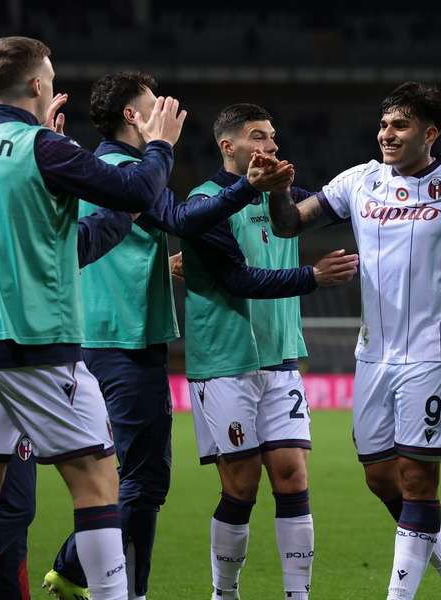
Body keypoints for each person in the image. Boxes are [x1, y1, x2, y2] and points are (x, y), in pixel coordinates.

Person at [266, 81, 441, 600]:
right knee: (380, 478)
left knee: (417, 479)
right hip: (373, 353)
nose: (386, 134)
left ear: (430, 133)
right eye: (384, 123)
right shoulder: (359, 182)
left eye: (400, 125)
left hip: (434, 353)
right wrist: (278, 190)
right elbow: (287, 227)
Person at [42, 73, 294, 600]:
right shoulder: (130, 171)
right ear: (134, 116)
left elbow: (137, 233)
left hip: (92, 338)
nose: (165, 111)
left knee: (107, 475)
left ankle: (72, 568)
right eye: (153, 105)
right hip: (128, 343)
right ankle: (117, 587)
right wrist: (248, 186)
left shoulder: (93, 165)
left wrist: (161, 261)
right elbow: (180, 217)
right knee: (144, 481)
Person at [0, 36, 185, 600]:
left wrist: (115, 205)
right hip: (38, 348)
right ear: (38, 84)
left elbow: (71, 244)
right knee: (98, 483)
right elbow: (137, 184)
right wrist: (159, 146)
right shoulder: (42, 148)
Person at [180, 103, 358, 600]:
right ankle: (225, 592)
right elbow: (237, 279)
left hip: (280, 359)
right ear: (229, 146)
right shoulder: (205, 203)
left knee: (291, 474)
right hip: (225, 364)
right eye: (259, 137)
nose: (272, 147)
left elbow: (335, 205)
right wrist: (313, 277)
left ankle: (297, 595)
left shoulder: (283, 198)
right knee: (240, 485)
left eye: (274, 138)